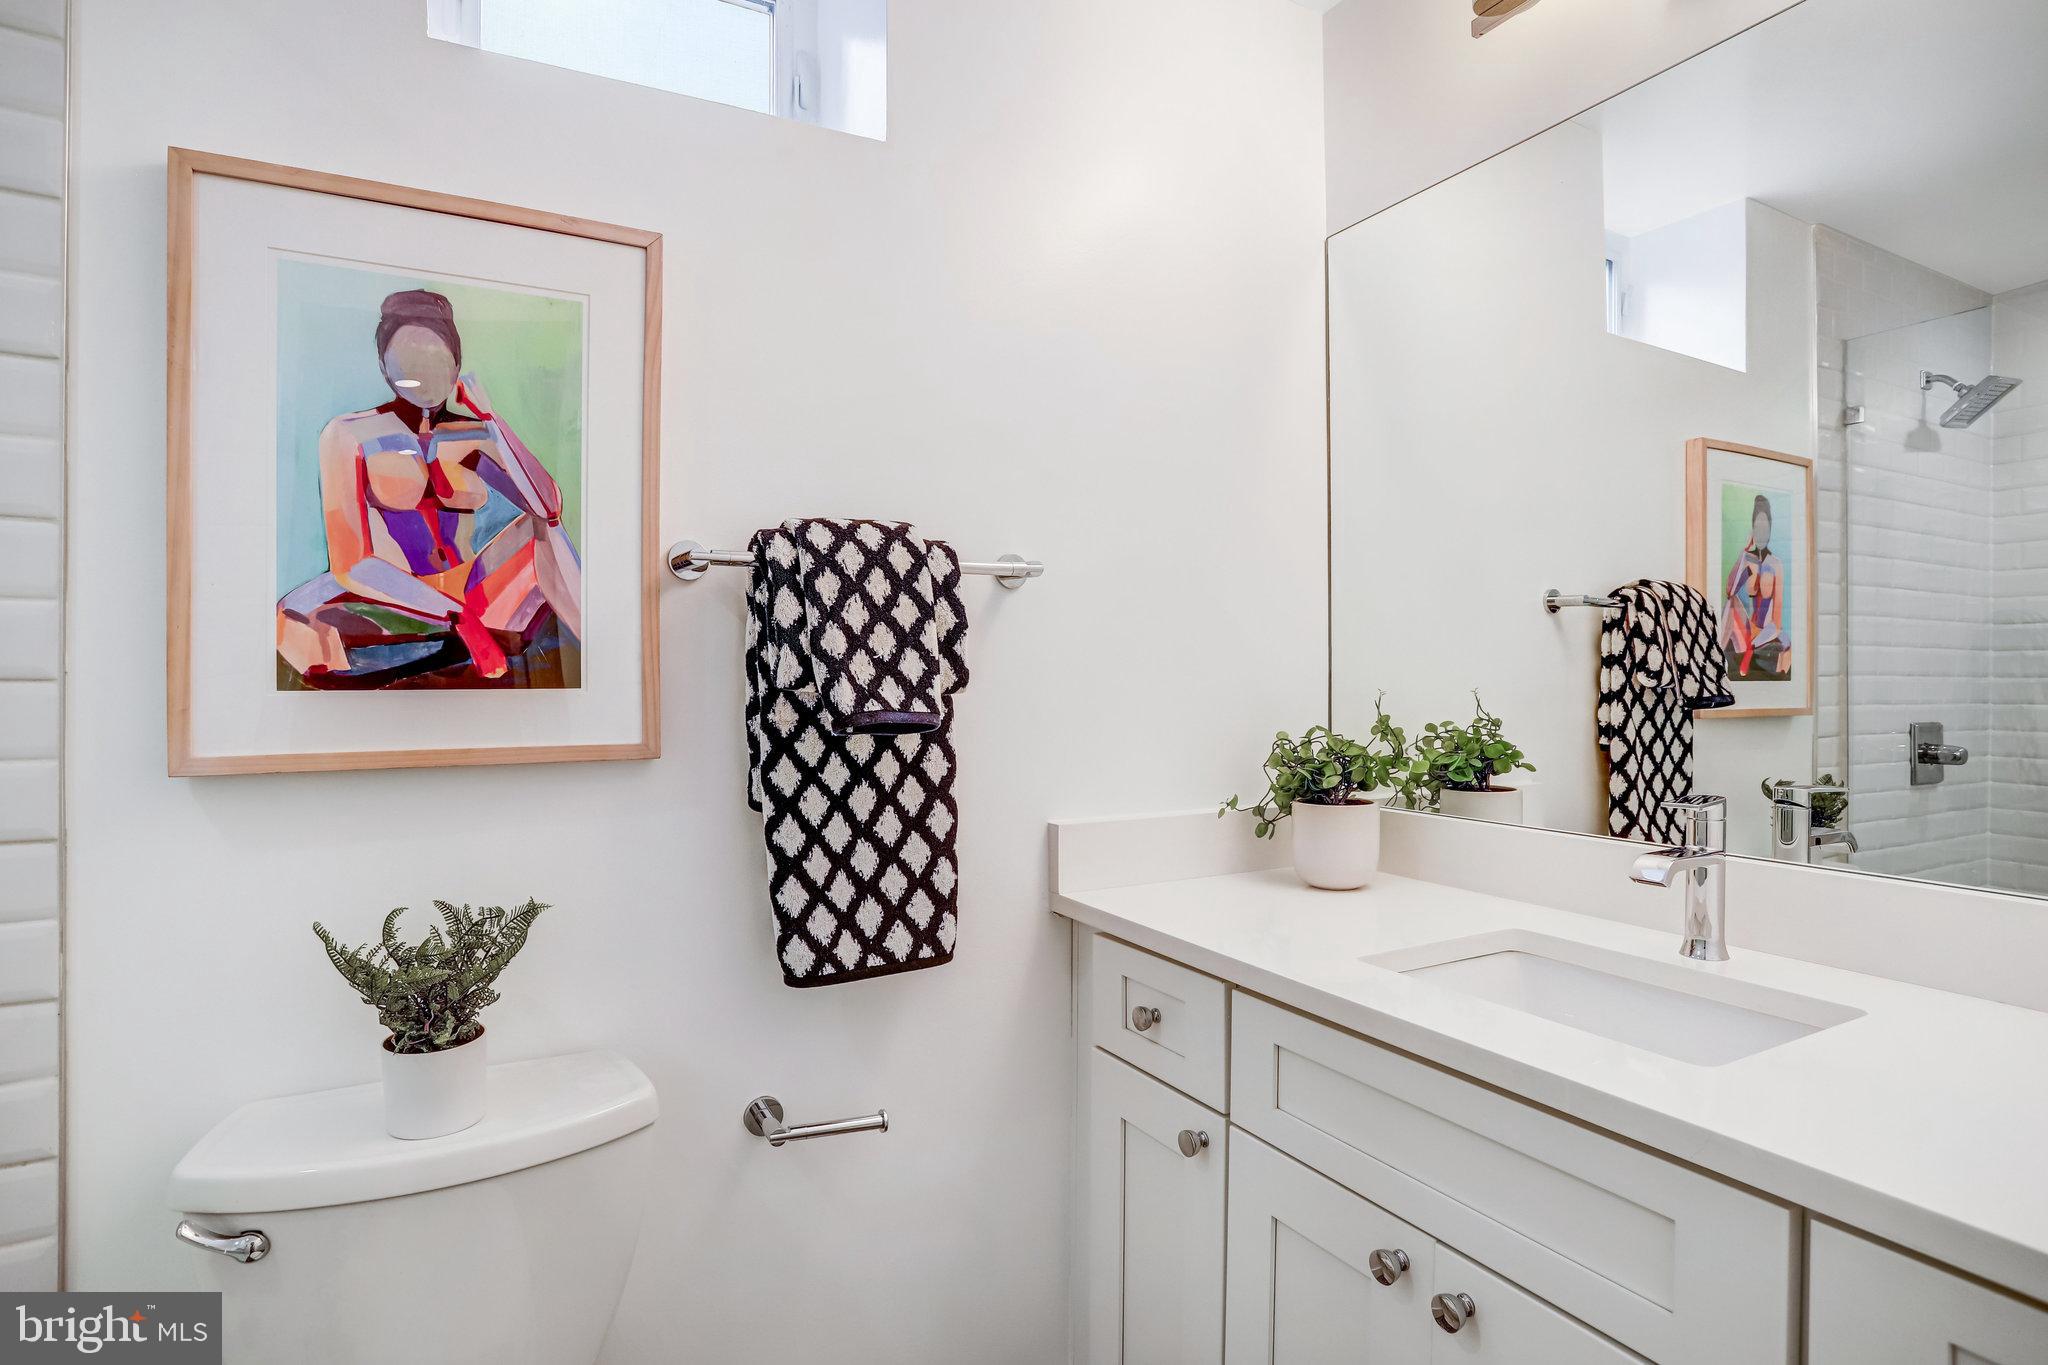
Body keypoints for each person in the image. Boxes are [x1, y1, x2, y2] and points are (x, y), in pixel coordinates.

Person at [276, 289, 583, 688]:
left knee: (543, 529)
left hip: (465, 586)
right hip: (387, 594)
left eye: (436, 359)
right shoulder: (349, 434)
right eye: (408, 359)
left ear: (456, 364)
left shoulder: (474, 435)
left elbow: (549, 507)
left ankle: (602, 658)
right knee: (297, 627)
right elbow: (351, 565)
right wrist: (454, 616)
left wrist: (492, 419)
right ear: (385, 366)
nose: (422, 371)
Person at [1718, 493, 1784, 678]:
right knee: (1731, 603)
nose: (1762, 531)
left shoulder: (1776, 565)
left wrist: (1754, 644)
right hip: (1748, 632)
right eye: (1757, 527)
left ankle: (1719, 661)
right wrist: (1744, 553)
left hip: (1764, 635)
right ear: (1753, 530)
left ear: (1770, 528)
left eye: (1765, 527)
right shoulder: (1748, 560)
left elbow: (1777, 623)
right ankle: (1715, 660)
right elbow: (1730, 591)